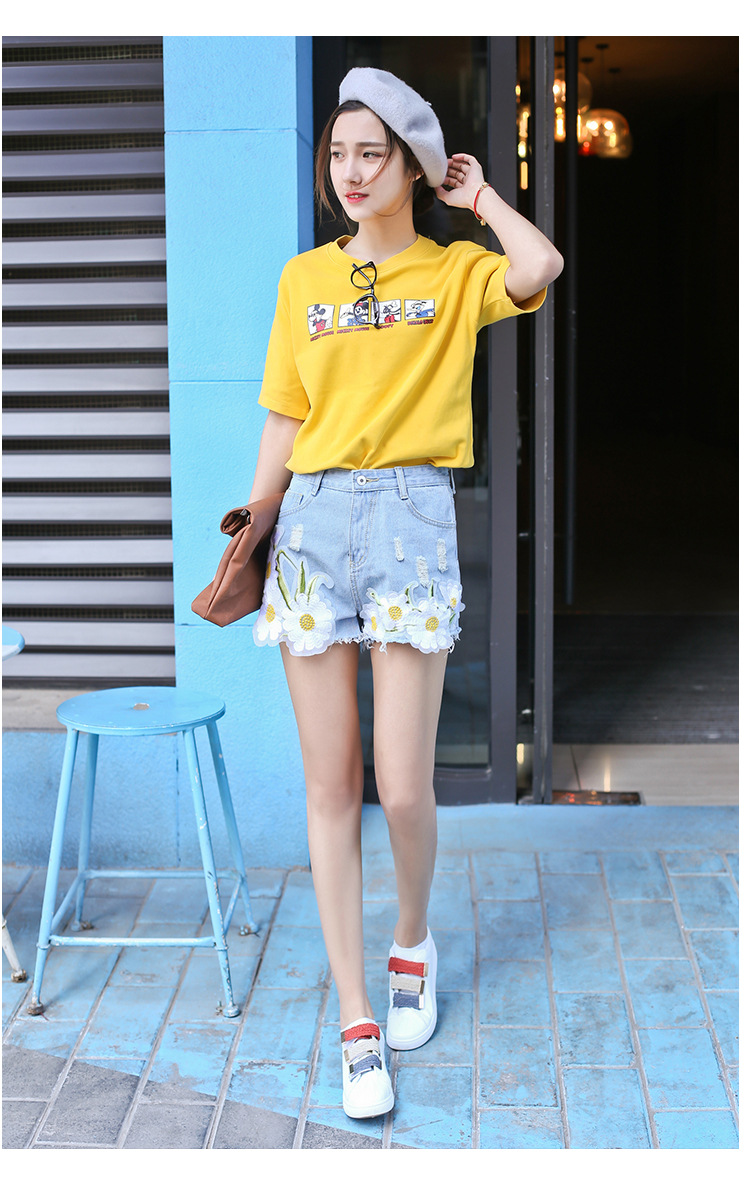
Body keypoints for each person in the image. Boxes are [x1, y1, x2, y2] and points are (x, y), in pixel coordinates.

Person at [246, 67, 563, 1120]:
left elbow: (541, 264)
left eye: (371, 154)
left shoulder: (457, 269)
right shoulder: (304, 280)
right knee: (330, 785)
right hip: (312, 524)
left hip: (412, 519)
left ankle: (412, 939)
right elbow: (286, 414)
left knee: (405, 785)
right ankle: (356, 1018)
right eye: (338, 154)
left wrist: (482, 197)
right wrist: (252, 526)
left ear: (412, 167)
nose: (349, 171)